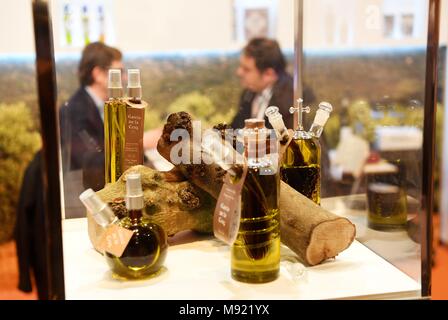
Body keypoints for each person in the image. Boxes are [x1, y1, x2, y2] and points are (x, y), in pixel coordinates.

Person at [59, 42, 123, 217]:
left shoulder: (101, 107)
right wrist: (133, 143)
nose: (124, 78)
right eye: (119, 72)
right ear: (98, 74)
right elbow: (89, 159)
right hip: (82, 205)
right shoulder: (74, 111)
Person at [231, 37, 295, 129]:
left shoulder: (292, 101)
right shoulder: (248, 94)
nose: (239, 72)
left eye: (246, 69)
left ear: (268, 74)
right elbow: (236, 128)